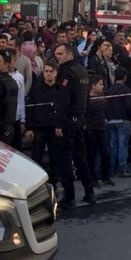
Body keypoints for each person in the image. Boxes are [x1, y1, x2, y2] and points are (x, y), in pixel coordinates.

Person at [55, 42, 97, 205]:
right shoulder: (82, 70)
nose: (57, 57)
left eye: (60, 54)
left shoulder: (67, 72)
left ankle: (69, 196)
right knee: (81, 157)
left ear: (69, 54)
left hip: (68, 120)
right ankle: (89, 191)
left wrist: (59, 124)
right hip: (80, 118)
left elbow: (63, 100)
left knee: (66, 158)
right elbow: (86, 97)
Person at [25, 59, 68, 189]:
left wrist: (60, 126)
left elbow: (64, 109)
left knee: (55, 158)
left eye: (51, 71)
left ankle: (54, 182)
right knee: (36, 157)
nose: (48, 74)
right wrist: (28, 128)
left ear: (56, 73)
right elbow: (30, 109)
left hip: (55, 129)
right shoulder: (36, 89)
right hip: (38, 128)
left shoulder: (61, 89)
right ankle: (35, 184)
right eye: (46, 71)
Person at [105, 67, 131, 179]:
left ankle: (112, 168)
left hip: (111, 120)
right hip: (123, 120)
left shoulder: (109, 90)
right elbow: (129, 106)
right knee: (123, 145)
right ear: (125, 77)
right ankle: (122, 168)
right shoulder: (125, 89)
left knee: (113, 145)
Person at [86, 75, 112, 187]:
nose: (102, 87)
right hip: (91, 130)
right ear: (93, 85)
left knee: (106, 154)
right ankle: (92, 178)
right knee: (91, 154)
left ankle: (105, 176)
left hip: (102, 129)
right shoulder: (87, 99)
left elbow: (106, 112)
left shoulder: (103, 99)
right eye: (100, 84)